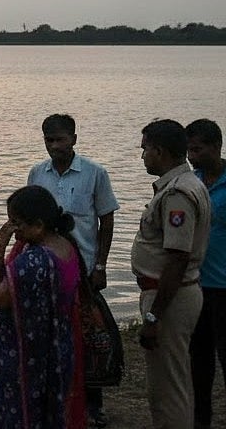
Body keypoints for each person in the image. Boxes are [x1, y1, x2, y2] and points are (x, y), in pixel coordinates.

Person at [27, 113, 119, 427]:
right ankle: (55, 399)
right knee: (50, 334)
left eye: (60, 139)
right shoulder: (37, 174)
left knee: (87, 335)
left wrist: (101, 265)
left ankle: (93, 405)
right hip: (46, 268)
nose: (54, 146)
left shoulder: (95, 173)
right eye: (48, 140)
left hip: (83, 269)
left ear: (74, 139)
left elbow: (106, 220)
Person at [131, 118, 212, 429]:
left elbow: (178, 258)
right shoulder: (184, 185)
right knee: (173, 381)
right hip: (172, 293)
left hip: (170, 297)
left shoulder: (178, 192)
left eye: (145, 150)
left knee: (167, 389)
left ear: (160, 151)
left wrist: (154, 317)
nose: (143, 156)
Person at [0, 186, 86, 428]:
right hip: (57, 345)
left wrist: (0, 245)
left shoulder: (35, 260)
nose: (13, 230)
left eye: (16, 223)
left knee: (19, 411)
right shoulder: (67, 246)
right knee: (50, 408)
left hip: (26, 352)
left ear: (39, 225)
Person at [186, 118, 226, 429]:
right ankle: (201, 421)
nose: (191, 156)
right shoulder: (192, 182)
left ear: (216, 146)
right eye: (188, 150)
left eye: (198, 150)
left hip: (224, 287)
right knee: (199, 361)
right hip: (196, 285)